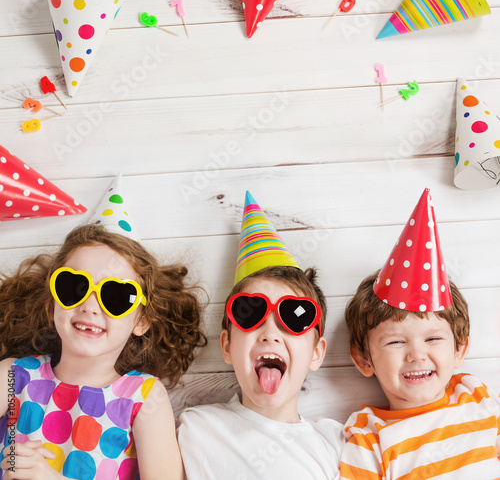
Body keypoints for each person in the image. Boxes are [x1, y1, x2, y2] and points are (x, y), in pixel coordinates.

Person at [0, 224, 206, 480]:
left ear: (141, 321)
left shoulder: (144, 397)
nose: (89, 306)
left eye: (116, 296)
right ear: (50, 303)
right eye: (74, 287)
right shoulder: (12, 376)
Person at [177, 192, 344, 479]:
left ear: (316, 353)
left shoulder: (336, 444)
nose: (270, 334)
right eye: (250, 314)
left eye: (294, 317)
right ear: (227, 346)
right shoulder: (197, 428)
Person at [340, 189, 500, 478]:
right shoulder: (369, 436)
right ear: (364, 359)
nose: (416, 354)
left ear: (459, 350)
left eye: (433, 338)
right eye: (396, 341)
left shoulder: (475, 395)